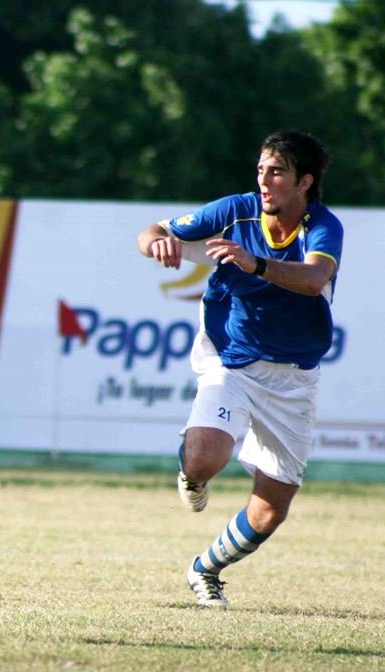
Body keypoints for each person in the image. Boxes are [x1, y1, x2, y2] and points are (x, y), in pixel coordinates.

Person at [136, 130, 342, 608]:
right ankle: (191, 471)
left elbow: (313, 279)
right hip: (233, 362)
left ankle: (204, 569)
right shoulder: (235, 210)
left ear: (304, 181)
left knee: (271, 512)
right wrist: (159, 245)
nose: (264, 181)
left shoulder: (323, 225)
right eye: (261, 170)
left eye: (277, 172)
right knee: (207, 457)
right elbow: (151, 232)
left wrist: (256, 264)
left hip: (294, 378)